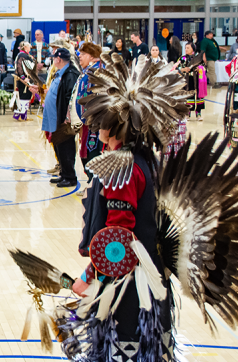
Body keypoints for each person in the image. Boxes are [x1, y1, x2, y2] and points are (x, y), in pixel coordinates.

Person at [63, 55, 188, 362]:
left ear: (115, 126)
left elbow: (118, 236)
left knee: (125, 351)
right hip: (147, 277)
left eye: (100, 120)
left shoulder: (124, 169)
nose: (94, 126)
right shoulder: (143, 158)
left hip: (129, 287)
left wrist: (89, 274)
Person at [30, 48, 80, 188]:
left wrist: (67, 116)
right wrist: (40, 90)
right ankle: (64, 174)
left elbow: (70, 97)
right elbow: (54, 91)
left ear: (59, 59)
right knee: (59, 147)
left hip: (63, 119)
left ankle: (70, 177)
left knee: (65, 148)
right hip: (55, 118)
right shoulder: (59, 73)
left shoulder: (70, 74)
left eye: (53, 58)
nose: (52, 60)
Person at [74, 42, 105, 197]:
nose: (80, 56)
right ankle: (92, 184)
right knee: (86, 153)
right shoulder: (88, 70)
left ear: (92, 56)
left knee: (93, 153)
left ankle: (95, 186)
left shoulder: (98, 72)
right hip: (87, 122)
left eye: (83, 54)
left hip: (95, 122)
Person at [178, 43, 207, 121]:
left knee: (198, 96)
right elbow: (177, 67)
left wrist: (200, 69)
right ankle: (188, 113)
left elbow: (204, 67)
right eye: (185, 48)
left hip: (197, 79)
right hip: (186, 80)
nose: (186, 49)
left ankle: (198, 113)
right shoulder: (182, 58)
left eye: (188, 48)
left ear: (192, 49)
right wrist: (184, 69)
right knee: (188, 96)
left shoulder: (198, 58)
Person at [13, 42, 34, 121]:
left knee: (24, 97)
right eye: (29, 47)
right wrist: (23, 77)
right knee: (24, 97)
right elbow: (19, 67)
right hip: (25, 79)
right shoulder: (23, 55)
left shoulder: (21, 54)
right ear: (25, 47)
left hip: (24, 78)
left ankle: (22, 115)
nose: (30, 49)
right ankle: (21, 115)